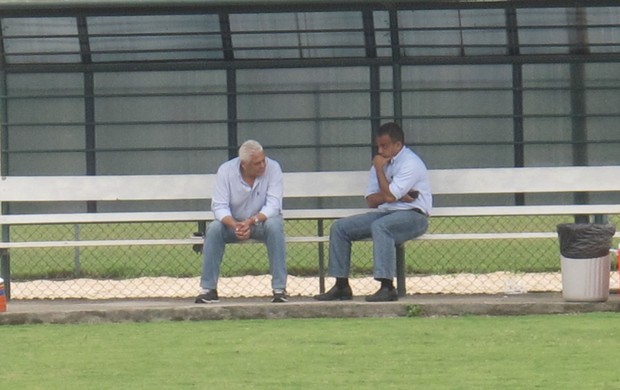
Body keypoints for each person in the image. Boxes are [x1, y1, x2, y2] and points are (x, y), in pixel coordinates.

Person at [314, 122, 432, 302]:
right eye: (378, 145)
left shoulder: (411, 163)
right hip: (386, 213)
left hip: (413, 215)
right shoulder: (381, 162)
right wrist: (396, 195)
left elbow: (389, 196)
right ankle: (341, 286)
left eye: (384, 146)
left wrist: (381, 173)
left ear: (398, 145)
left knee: (381, 227)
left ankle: (387, 287)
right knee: (339, 228)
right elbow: (370, 200)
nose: (380, 150)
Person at [195, 140, 288, 303]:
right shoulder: (226, 170)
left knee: (274, 225)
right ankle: (208, 289)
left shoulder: (274, 168)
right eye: (256, 163)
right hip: (233, 224)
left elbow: (274, 205)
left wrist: (252, 221)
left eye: (263, 160)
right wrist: (235, 224)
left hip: (261, 223)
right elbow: (219, 206)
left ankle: (279, 289)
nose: (262, 165)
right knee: (214, 228)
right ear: (244, 164)